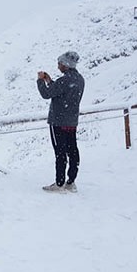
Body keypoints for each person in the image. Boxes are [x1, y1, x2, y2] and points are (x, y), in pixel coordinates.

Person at [36, 51, 85, 193]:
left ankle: (59, 183)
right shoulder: (79, 79)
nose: (58, 66)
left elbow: (47, 94)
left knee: (60, 152)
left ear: (65, 64)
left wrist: (40, 81)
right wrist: (50, 81)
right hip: (71, 121)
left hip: (58, 121)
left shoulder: (64, 80)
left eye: (59, 63)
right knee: (72, 150)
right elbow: (60, 91)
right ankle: (71, 181)